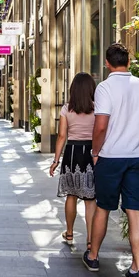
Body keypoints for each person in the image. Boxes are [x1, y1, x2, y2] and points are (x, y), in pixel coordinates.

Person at [83, 43, 139, 277]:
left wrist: (95, 151)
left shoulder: (105, 87)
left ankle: (93, 256)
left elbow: (101, 125)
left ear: (107, 63)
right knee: (135, 210)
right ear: (129, 62)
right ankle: (137, 268)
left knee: (103, 206)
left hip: (111, 157)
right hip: (137, 156)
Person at [50, 73, 97, 251]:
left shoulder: (67, 109)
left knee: (71, 195)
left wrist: (56, 160)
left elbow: (62, 136)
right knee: (90, 199)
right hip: (92, 153)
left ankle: (69, 234)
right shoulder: (97, 108)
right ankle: (91, 240)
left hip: (72, 153)